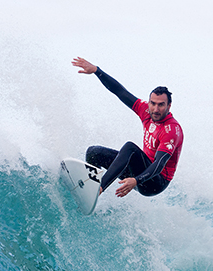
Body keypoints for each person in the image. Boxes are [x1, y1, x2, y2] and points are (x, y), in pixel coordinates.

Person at [71, 57, 183, 198]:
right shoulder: (146, 111)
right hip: (138, 172)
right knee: (94, 153)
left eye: (161, 105)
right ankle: (90, 188)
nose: (155, 109)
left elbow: (160, 164)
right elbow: (120, 92)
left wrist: (136, 180)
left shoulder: (171, 130)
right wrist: (96, 71)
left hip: (155, 182)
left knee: (130, 148)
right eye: (152, 103)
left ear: (169, 106)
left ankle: (99, 189)